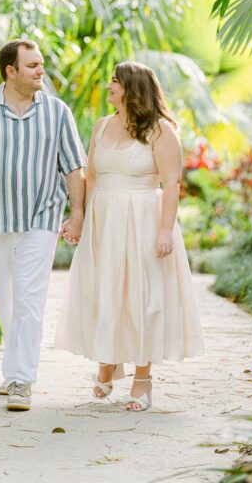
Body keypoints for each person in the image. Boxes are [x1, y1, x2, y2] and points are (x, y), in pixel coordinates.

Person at [54, 61, 203, 410]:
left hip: (144, 219)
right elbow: (91, 176)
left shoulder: (161, 131)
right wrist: (78, 219)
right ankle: (107, 362)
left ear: (131, 89)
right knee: (105, 293)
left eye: (114, 82)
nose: (108, 87)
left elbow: (172, 184)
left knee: (143, 297)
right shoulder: (102, 126)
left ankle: (142, 379)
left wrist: (165, 229)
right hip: (104, 221)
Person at [0, 39, 87, 412]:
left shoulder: (58, 113)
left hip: (41, 219)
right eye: (32, 66)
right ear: (10, 71)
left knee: (29, 298)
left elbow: (74, 167)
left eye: (41, 64)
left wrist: (77, 215)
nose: (41, 71)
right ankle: (15, 369)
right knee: (7, 297)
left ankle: (21, 379)